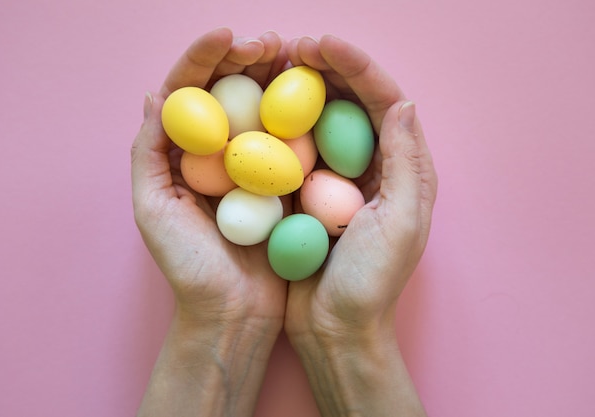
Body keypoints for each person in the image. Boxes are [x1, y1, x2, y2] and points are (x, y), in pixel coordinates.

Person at [131, 27, 437, 417]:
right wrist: (346, 336)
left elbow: (283, 171)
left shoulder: (272, 164)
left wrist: (224, 325)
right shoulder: (244, 161)